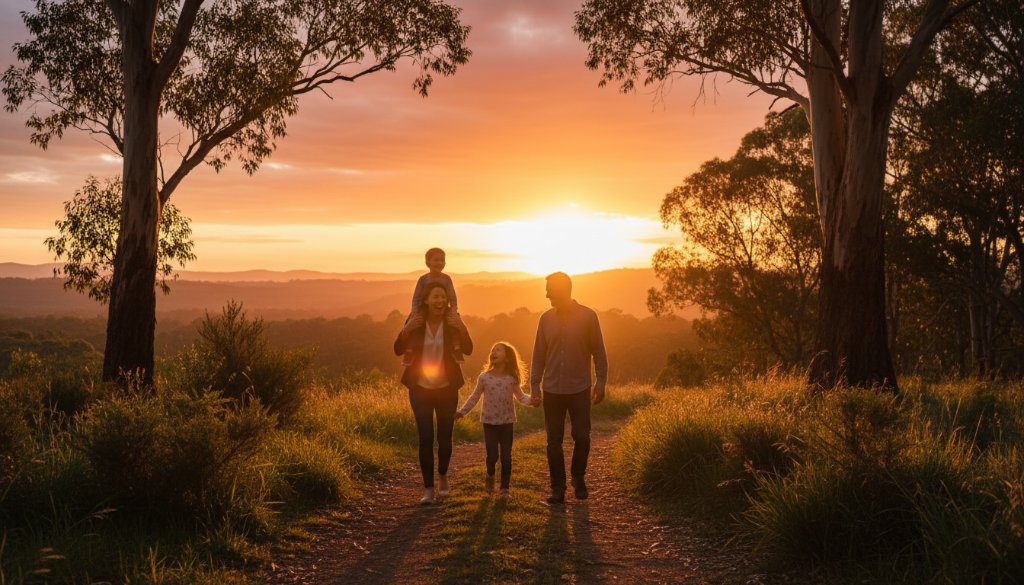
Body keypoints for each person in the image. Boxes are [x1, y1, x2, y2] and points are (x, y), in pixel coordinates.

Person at [529, 272, 608, 505]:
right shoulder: (545, 319)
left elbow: (599, 353)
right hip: (552, 390)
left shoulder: (588, 316)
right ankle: (558, 488)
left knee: (582, 436)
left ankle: (578, 476)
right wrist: (535, 385)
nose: (546, 294)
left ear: (563, 289)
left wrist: (601, 382)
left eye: (549, 289)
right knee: (553, 441)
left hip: (579, 388)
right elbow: (538, 355)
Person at [394, 282, 473, 505]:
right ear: (426, 301)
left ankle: (443, 477)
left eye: (443, 297)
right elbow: (398, 349)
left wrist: (462, 327)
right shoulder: (416, 322)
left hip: (447, 388)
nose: (440, 301)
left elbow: (468, 349)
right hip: (420, 388)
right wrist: (406, 330)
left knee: (445, 436)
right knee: (426, 438)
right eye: (435, 297)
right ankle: (428, 489)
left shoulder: (452, 323)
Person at [454, 342, 534, 497]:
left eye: (498, 350)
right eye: (492, 350)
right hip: (489, 423)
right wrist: (462, 412)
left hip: (507, 423)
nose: (494, 352)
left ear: (507, 358)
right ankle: (490, 476)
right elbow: (474, 397)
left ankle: (504, 488)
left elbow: (521, 397)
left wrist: (534, 400)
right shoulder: (484, 378)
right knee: (492, 456)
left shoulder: (512, 378)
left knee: (506, 456)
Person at [404, 247, 462, 365]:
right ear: (428, 263)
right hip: (423, 309)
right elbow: (416, 297)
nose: (440, 263)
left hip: (444, 309)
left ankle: (457, 349)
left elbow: (452, 296)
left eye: (442, 260)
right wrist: (415, 313)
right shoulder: (423, 279)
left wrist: (454, 311)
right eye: (436, 260)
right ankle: (409, 351)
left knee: (454, 324)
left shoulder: (446, 279)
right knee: (414, 326)